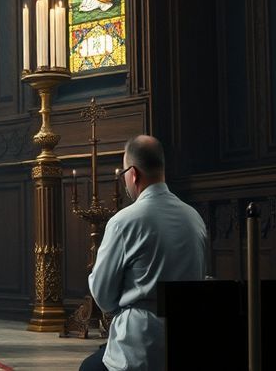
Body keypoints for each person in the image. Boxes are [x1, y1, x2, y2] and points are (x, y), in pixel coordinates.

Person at [81, 135, 208, 371]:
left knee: (89, 368)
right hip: (190, 343)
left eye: (124, 175)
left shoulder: (124, 221)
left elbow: (104, 297)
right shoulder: (194, 218)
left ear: (133, 173)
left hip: (140, 346)